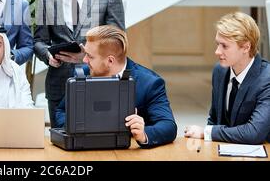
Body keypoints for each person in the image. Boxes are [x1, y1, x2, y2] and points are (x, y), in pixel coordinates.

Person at [34, 0, 125, 128]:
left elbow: (118, 43)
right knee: (60, 142)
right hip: (59, 86)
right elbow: (39, 41)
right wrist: (48, 55)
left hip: (99, 82)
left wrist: (88, 56)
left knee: (97, 141)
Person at [55, 25, 177, 148]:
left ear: (110, 61)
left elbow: (168, 125)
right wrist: (74, 125)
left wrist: (144, 134)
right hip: (85, 149)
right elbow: (61, 111)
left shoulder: (150, 83)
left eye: (90, 56)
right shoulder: (82, 73)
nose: (85, 60)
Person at [184, 12, 270, 144]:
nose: (217, 51)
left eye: (225, 46)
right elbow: (214, 118)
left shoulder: (267, 78)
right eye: (218, 44)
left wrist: (208, 132)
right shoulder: (220, 70)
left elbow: (254, 133)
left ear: (246, 47)